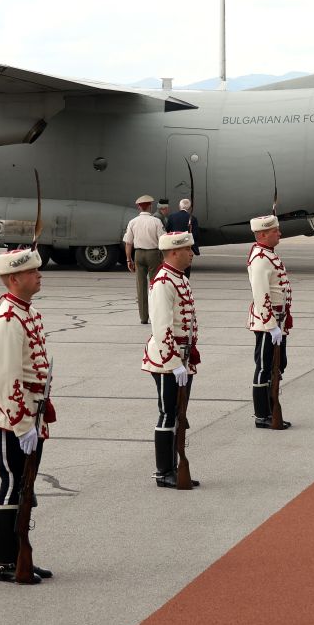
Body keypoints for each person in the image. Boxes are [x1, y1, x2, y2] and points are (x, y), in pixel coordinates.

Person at [0, 247, 54, 583]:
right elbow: (7, 376)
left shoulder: (26, 312)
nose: (39, 276)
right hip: (13, 416)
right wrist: (22, 424)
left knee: (24, 487)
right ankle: (4, 561)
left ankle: (19, 553)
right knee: (13, 486)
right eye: (32, 272)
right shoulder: (9, 320)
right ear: (14, 279)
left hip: (29, 412)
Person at [142, 232, 200, 487]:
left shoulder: (179, 279)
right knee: (168, 413)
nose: (191, 253)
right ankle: (164, 471)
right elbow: (161, 326)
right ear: (174, 252)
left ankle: (174, 467)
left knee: (178, 413)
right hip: (168, 360)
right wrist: (173, 362)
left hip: (182, 357)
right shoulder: (164, 281)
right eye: (188, 249)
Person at [247, 215, 293, 429]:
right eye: (275, 231)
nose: (280, 234)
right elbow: (261, 294)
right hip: (268, 323)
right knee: (265, 367)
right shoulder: (260, 259)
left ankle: (271, 407)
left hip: (277, 321)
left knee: (277, 365)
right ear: (263, 234)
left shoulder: (268, 255)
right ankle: (262, 414)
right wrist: (270, 324)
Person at [124, 195, 166, 324]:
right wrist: (165, 259)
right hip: (153, 254)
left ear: (139, 207)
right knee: (155, 285)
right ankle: (155, 316)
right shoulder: (156, 222)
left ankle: (143, 317)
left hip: (138, 254)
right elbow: (163, 241)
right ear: (150, 206)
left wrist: (128, 259)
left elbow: (128, 242)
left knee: (140, 287)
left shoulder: (133, 222)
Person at [164, 199, 201, 276]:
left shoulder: (172, 217)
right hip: (187, 247)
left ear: (179, 207)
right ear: (189, 208)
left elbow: (166, 231)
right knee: (186, 271)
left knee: (174, 268)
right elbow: (195, 235)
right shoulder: (193, 218)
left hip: (175, 247)